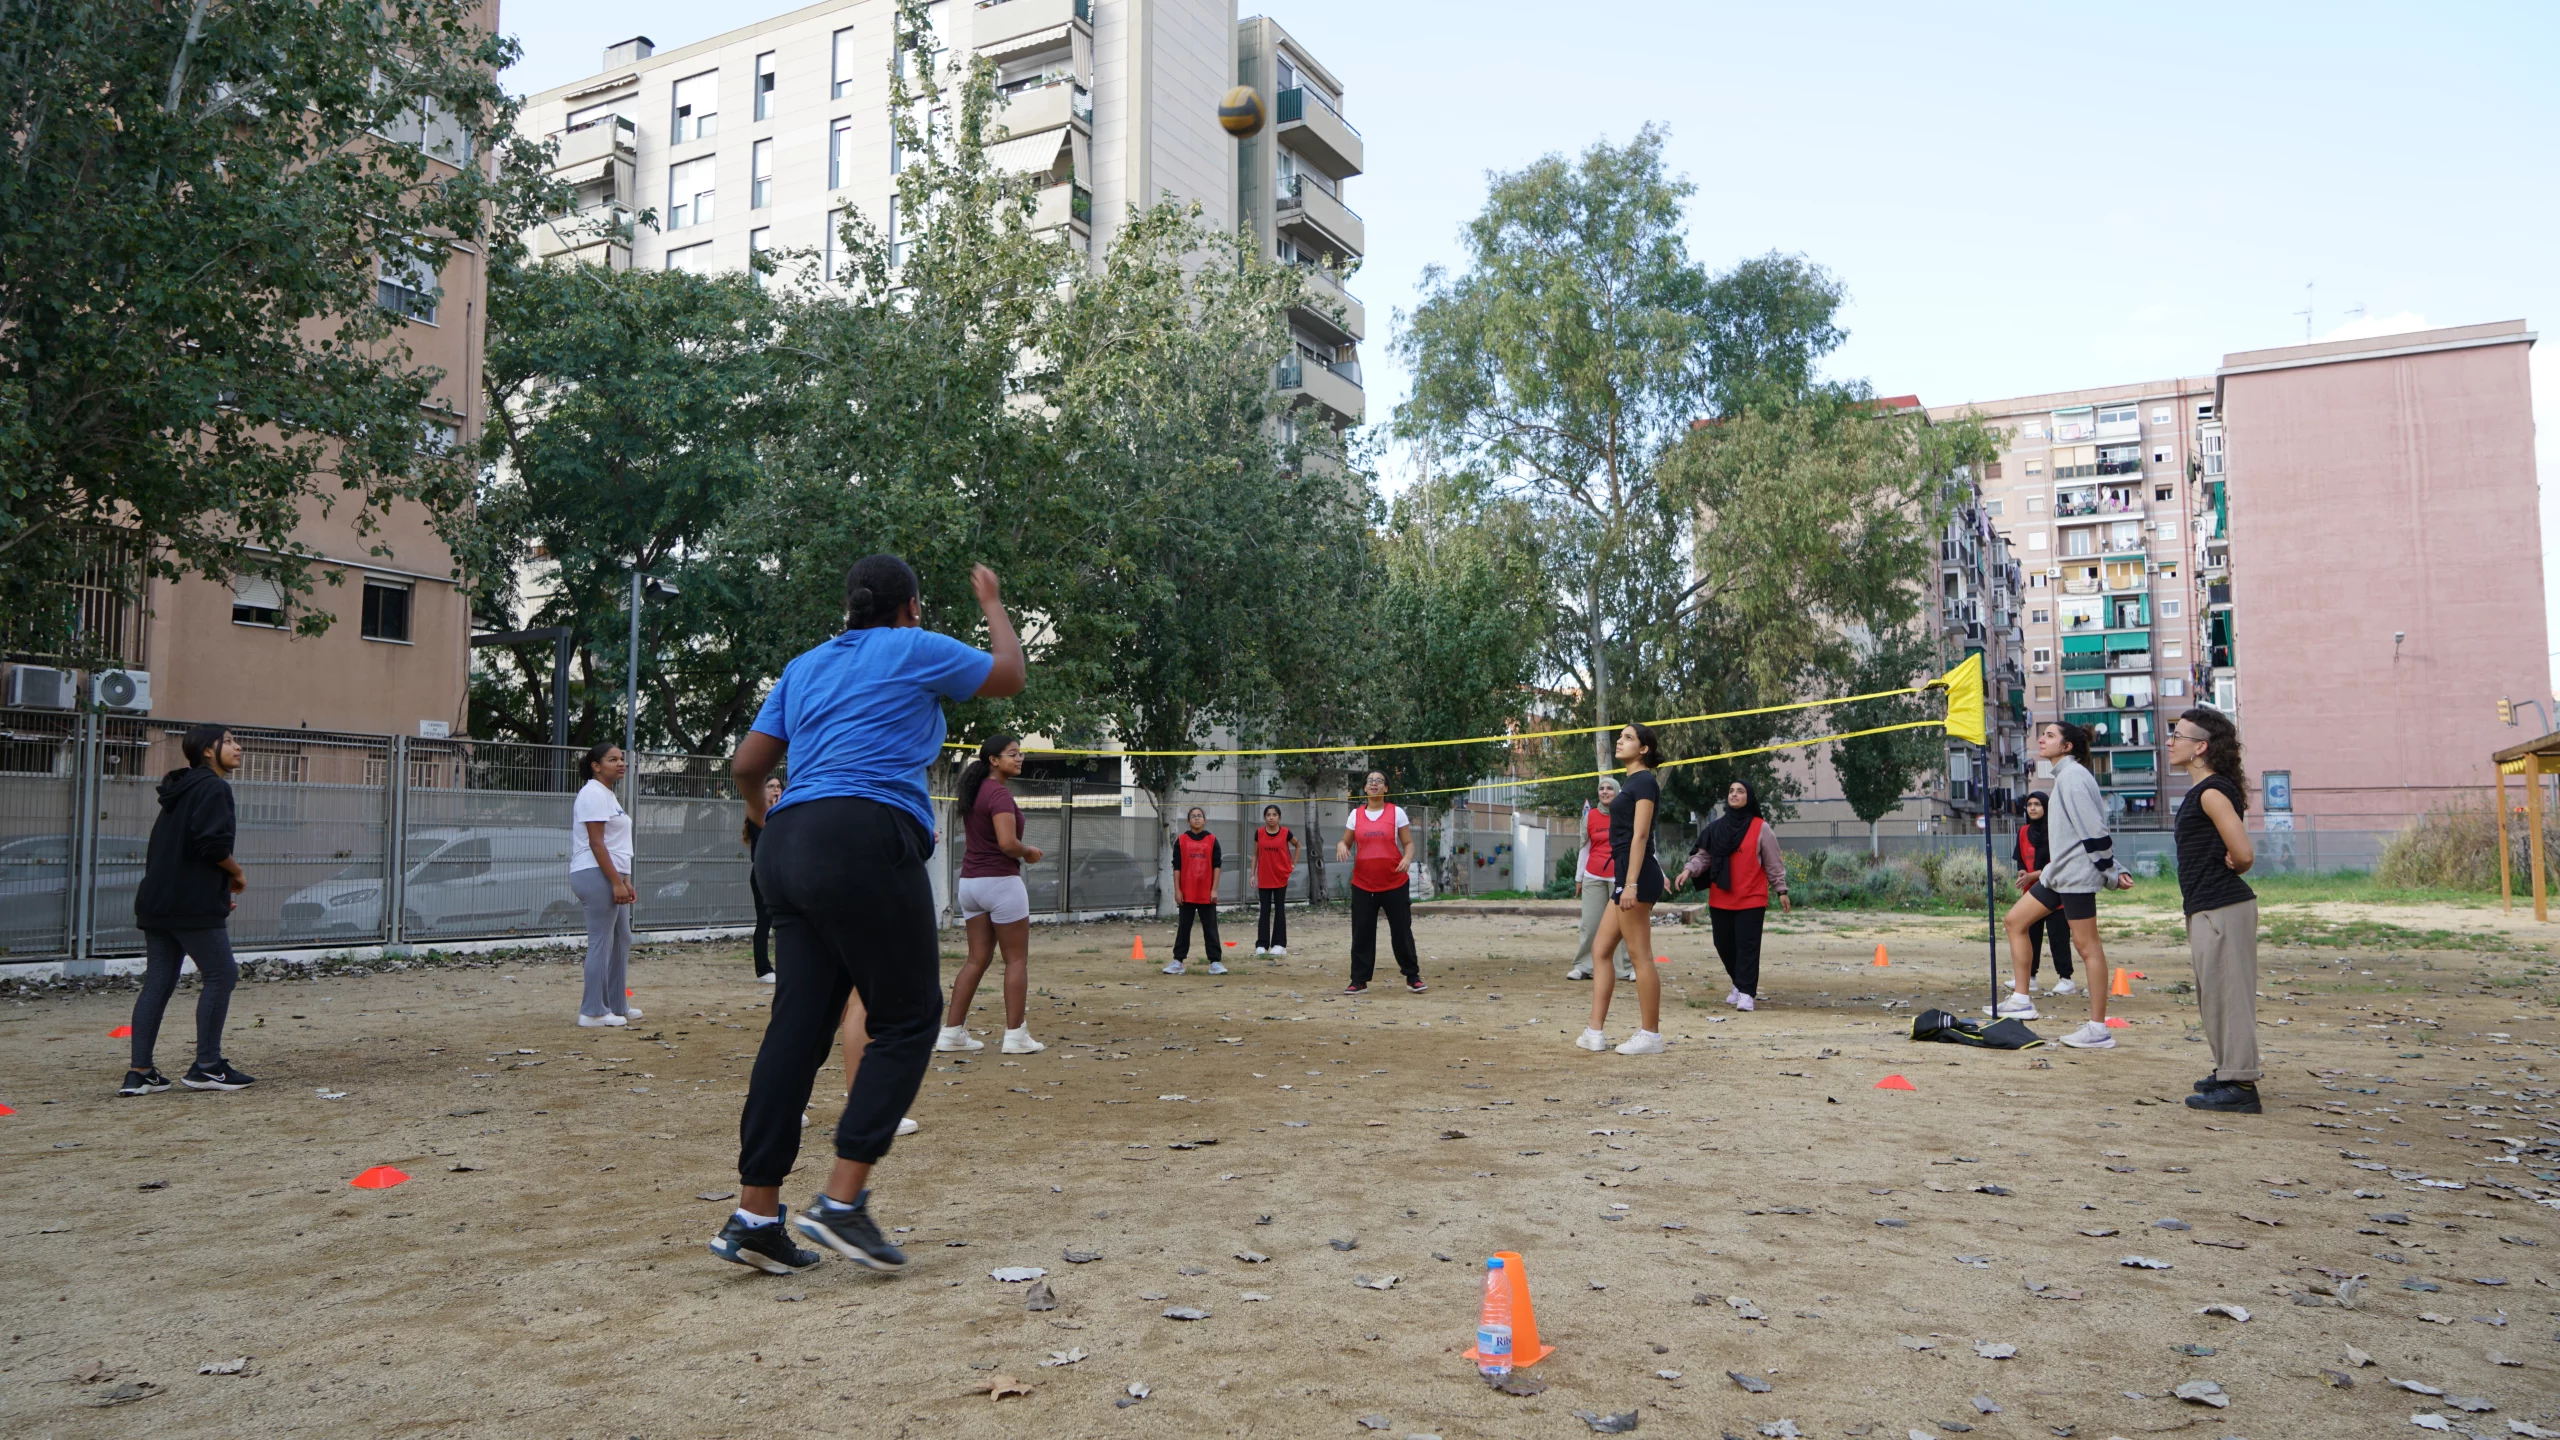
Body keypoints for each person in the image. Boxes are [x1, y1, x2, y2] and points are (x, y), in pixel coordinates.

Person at [709, 554, 1024, 1277]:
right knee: (911, 1014)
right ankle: (842, 1203)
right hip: (863, 832)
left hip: (786, 843)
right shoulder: (914, 646)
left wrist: (770, 823)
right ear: (911, 605)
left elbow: (746, 768)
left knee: (797, 1025)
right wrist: (994, 604)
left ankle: (756, 1215)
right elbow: (1008, 675)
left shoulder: (806, 665)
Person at [121, 723, 253, 1095]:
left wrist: (215, 886)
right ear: (207, 751)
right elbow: (210, 844)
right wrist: (236, 874)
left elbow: (178, 850)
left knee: (159, 981)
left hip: (157, 902)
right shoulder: (214, 787)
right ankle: (207, 1066)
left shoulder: (180, 790)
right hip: (189, 904)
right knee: (222, 974)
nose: (237, 747)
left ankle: (140, 1072)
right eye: (228, 741)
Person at [1997, 721, 2134, 1049]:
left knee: (2088, 947)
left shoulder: (2073, 779)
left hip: (2075, 877)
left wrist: (2112, 872)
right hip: (2057, 874)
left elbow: (2094, 829)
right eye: (2043, 734)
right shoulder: (2065, 778)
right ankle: (2021, 999)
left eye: (2050, 735)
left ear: (2067, 746)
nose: (2041, 739)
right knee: (2015, 921)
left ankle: (2098, 1029)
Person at [2166, 708, 2260, 1114]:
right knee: (2215, 996)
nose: (2171, 741)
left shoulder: (2212, 792)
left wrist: (2235, 864)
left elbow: (2243, 854)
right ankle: (2227, 1070)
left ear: (2200, 747)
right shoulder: (2205, 790)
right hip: (2208, 905)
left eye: (2178, 735)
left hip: (2223, 905)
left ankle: (2241, 1085)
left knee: (2229, 995)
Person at [941, 735, 1044, 1052]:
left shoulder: (977, 790)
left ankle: (951, 1033)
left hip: (970, 884)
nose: (1019, 758)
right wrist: (1028, 852)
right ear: (993, 760)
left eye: (1020, 753)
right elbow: (1007, 844)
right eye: (1012, 754)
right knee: (1016, 960)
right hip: (1000, 882)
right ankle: (1015, 1036)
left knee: (976, 960)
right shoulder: (998, 794)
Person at [1580, 724, 1668, 1054]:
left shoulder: (1644, 781)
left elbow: (1640, 836)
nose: (1620, 740)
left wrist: (1629, 884)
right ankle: (1594, 1032)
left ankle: (1651, 1035)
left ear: (1644, 749)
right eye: (1621, 736)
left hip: (1636, 875)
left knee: (1639, 955)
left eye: (1629, 737)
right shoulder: (1632, 782)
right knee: (1601, 950)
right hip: (1624, 875)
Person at [1690, 779, 1789, 1012]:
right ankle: (1738, 982)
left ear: (1749, 797)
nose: (1734, 794)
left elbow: (1773, 862)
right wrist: (1688, 869)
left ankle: (1746, 992)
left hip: (1751, 898)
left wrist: (1781, 889)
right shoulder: (1716, 828)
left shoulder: (1760, 827)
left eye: (1740, 791)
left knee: (1747, 946)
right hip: (1721, 897)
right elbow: (1704, 857)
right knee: (1723, 944)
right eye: (1731, 790)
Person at [1335, 770, 1424, 994]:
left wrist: (1406, 858)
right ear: (1364, 788)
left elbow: (1409, 843)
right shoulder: (1355, 815)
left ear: (1386, 788)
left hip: (1394, 882)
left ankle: (1412, 976)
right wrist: (1341, 845)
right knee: (1362, 932)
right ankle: (1359, 980)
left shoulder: (1397, 813)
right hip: (1363, 884)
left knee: (1402, 931)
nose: (1374, 784)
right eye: (1370, 781)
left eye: (1379, 781)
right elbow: (1346, 840)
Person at [570, 742, 639, 1028]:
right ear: (596, 766)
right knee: (601, 941)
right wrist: (615, 881)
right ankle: (592, 1011)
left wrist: (625, 879)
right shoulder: (593, 794)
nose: (621, 763)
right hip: (594, 873)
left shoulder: (608, 795)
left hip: (612, 874)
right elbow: (597, 843)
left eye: (621, 759)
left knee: (622, 937)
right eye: (613, 759)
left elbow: (616, 844)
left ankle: (617, 1004)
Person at [1564, 777, 1635, 983]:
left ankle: (1626, 968)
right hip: (1593, 876)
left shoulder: (1627, 814)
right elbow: (1584, 848)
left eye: (1609, 789)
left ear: (1617, 791)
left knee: (1624, 924)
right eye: (1601, 789)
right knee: (1590, 924)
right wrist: (1579, 878)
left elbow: (1639, 846)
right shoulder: (1590, 817)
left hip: (1620, 876)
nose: (1605, 792)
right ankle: (1584, 966)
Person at [2011, 792, 2075, 995]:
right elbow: (2020, 858)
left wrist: (2032, 876)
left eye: (2037, 804)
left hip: (2055, 891)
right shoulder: (2023, 832)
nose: (2032, 808)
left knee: (2058, 936)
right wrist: (2023, 872)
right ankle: (2029, 978)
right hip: (2032, 893)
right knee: (2031, 935)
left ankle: (2066, 979)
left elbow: (2056, 865)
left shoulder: (2056, 832)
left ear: (2046, 807)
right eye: (2029, 804)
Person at [1166, 807, 1225, 975]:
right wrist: (1178, 890)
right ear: (1188, 821)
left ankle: (1215, 962)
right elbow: (1177, 867)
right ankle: (1178, 962)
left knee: (1210, 928)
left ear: (1204, 820)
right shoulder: (1181, 840)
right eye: (1193, 816)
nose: (1197, 819)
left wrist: (1214, 889)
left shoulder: (1212, 840)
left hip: (1206, 893)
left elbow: (1217, 865)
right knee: (1184, 928)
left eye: (1200, 816)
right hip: (1187, 892)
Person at [744, 775, 784, 984]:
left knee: (785, 921)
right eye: (770, 786)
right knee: (765, 920)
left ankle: (785, 966)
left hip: (783, 872)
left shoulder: (786, 811)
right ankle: (763, 969)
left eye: (778, 786)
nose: (776, 790)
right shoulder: (757, 814)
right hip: (763, 872)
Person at [1252, 804, 1299, 957]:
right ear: (1265, 817)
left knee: (1279, 909)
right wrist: (1252, 874)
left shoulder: (1285, 833)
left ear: (1279, 817)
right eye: (1268, 815)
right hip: (1264, 876)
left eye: (1274, 815)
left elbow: (1297, 845)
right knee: (1264, 910)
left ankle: (1279, 944)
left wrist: (1292, 864)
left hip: (1280, 876)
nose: (1271, 817)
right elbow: (1255, 855)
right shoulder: (1259, 833)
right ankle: (1262, 944)